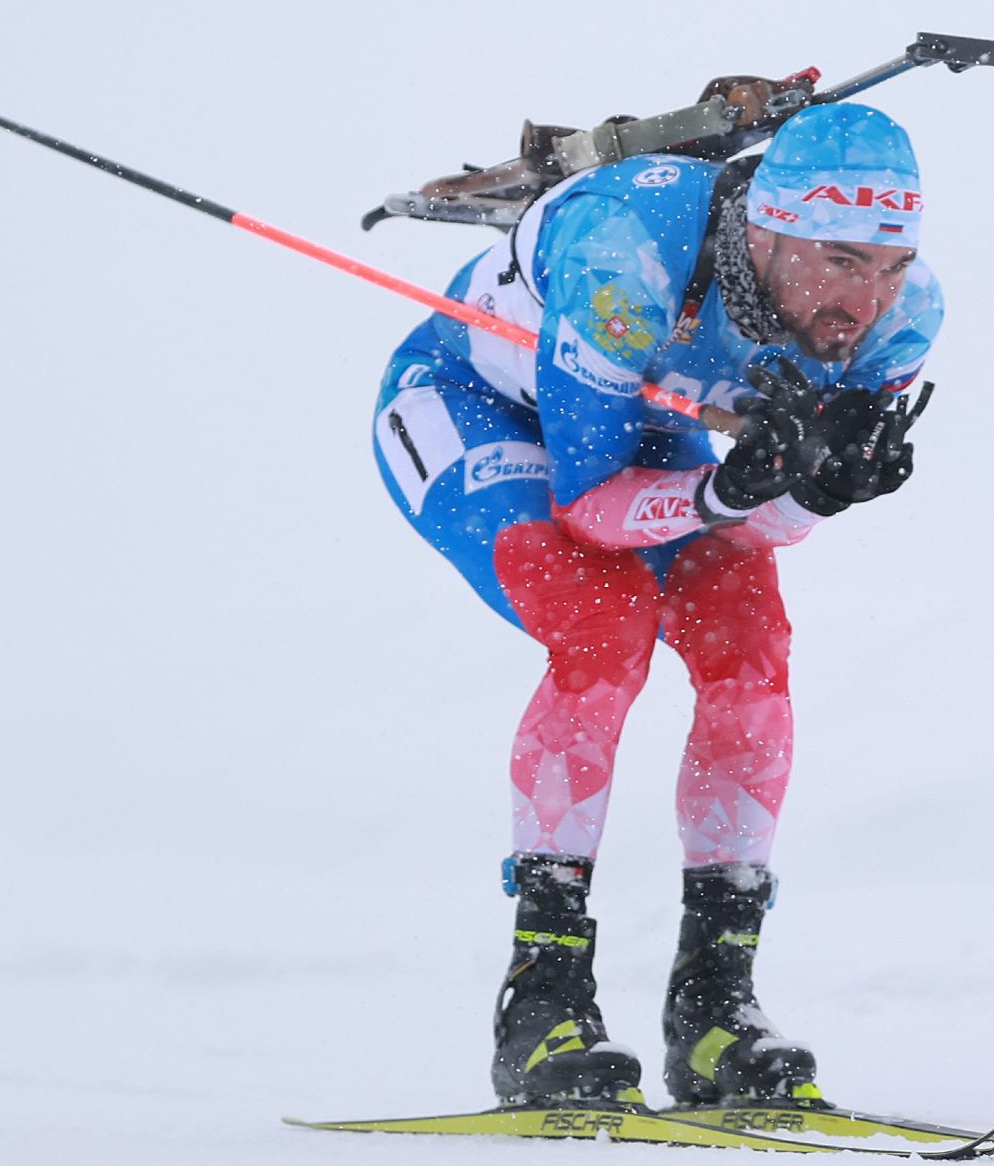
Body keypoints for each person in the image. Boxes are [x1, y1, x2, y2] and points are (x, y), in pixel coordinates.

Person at [372, 102, 943, 1107]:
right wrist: (724, 491)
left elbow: (756, 533)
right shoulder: (624, 263)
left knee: (750, 651)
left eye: (890, 265)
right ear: (766, 232)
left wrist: (807, 491)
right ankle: (542, 999)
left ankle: (714, 1008)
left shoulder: (902, 321)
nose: (864, 300)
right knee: (606, 624)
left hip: (634, 428)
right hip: (474, 407)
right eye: (842, 261)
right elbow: (591, 512)